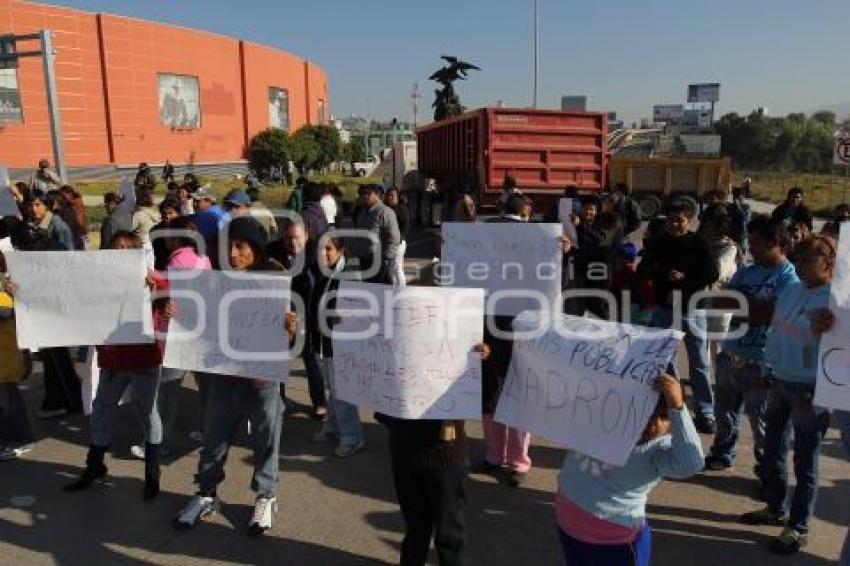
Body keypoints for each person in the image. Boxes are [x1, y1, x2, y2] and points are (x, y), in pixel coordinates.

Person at [174, 217, 295, 535]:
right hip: (223, 379)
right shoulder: (213, 281)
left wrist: (292, 329)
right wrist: (179, 314)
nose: (233, 252)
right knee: (213, 440)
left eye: (240, 245)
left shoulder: (275, 279)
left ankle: (266, 496)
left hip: (262, 382)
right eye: (228, 245)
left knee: (267, 441)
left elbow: (290, 338)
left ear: (255, 249)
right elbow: (201, 324)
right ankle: (206, 494)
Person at [741, 235, 836, 555]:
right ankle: (775, 508)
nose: (802, 266)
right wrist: (768, 368)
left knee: (805, 461)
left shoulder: (838, 301)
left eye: (810, 260)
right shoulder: (792, 289)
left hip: (810, 390)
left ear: (828, 263)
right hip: (778, 380)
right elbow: (776, 330)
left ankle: (798, 526)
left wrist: (835, 323)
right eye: (800, 259)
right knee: (772, 450)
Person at [555, 374, 703, 566]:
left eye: (665, 416)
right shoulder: (596, 416)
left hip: (572, 521)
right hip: (611, 538)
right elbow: (691, 462)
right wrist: (677, 408)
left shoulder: (657, 447)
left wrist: (678, 407)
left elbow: (692, 463)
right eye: (645, 411)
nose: (654, 423)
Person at [62, 231, 167, 502]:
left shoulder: (150, 277)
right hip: (112, 362)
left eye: (126, 247)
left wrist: (158, 292)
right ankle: (95, 466)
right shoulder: (99, 280)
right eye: (115, 247)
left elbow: (172, 294)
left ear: (135, 252)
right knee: (101, 410)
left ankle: (152, 475)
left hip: (144, 361)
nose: (120, 251)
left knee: (148, 413)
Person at [703, 217, 798, 495]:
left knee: (763, 425)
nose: (751, 248)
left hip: (763, 364)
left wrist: (743, 307)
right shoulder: (746, 272)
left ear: (775, 243)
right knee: (725, 413)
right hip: (731, 355)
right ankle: (722, 454)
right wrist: (751, 308)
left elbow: (770, 315)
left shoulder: (788, 278)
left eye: (756, 243)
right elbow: (722, 302)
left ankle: (768, 472)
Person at [637, 203, 719, 433]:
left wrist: (683, 280)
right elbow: (643, 268)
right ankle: (675, 404)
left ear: (689, 221)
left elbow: (711, 272)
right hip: (664, 309)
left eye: (679, 220)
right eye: (670, 220)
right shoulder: (658, 243)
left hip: (693, 308)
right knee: (665, 359)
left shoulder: (699, 242)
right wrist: (664, 273)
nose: (674, 225)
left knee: (699, 361)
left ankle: (705, 411)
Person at [10, 220, 83, 418]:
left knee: (56, 361)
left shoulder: (42, 254)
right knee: (58, 360)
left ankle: (66, 401)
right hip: (56, 311)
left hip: (50, 313)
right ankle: (65, 399)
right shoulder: (52, 248)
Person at [309, 234, 365, 457]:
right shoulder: (322, 272)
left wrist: (344, 315)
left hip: (340, 345)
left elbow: (360, 309)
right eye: (320, 249)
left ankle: (352, 438)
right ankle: (333, 428)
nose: (323, 254)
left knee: (342, 393)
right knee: (330, 390)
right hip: (322, 341)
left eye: (329, 249)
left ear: (341, 250)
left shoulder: (349, 275)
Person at [267, 220, 327, 418]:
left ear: (306, 236)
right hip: (280, 314)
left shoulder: (318, 253)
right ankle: (279, 401)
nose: (293, 243)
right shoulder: (271, 252)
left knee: (311, 359)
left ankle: (319, 402)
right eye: (288, 238)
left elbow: (324, 284)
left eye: (297, 238)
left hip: (309, 313)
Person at [0, 252, 33, 461]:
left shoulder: (4, 292)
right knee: (9, 401)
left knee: (8, 404)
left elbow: (4, 312)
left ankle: (17, 441)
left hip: (6, 359)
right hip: (6, 359)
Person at [353, 184, 401, 284]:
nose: (365, 196)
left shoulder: (385, 212)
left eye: (368, 193)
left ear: (376, 194)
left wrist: (386, 259)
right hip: (364, 259)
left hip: (379, 261)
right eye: (362, 194)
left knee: (380, 291)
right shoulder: (363, 212)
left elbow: (394, 238)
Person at [385, 187, 409, 287]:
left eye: (393, 196)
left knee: (397, 267)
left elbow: (406, 226)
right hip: (389, 242)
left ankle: (402, 288)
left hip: (398, 242)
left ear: (398, 197)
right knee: (391, 268)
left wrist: (400, 239)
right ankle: (394, 288)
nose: (390, 198)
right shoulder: (386, 209)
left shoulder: (401, 209)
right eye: (389, 195)